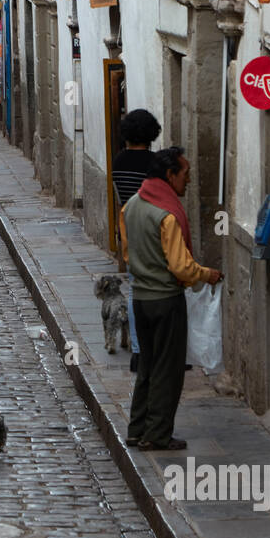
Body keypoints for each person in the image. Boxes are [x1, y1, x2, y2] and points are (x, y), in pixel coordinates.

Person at [123, 146, 222, 451]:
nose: (188, 180)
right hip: (166, 300)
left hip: (140, 298)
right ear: (169, 175)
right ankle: (157, 434)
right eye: (185, 173)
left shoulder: (131, 206)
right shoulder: (166, 215)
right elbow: (181, 266)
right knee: (168, 370)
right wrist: (207, 274)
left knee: (148, 367)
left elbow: (127, 253)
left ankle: (137, 428)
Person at [111, 108, 164, 369]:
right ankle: (157, 344)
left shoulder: (118, 162)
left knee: (135, 289)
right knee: (159, 290)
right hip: (153, 232)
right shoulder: (155, 164)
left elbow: (120, 199)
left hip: (129, 231)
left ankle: (137, 349)